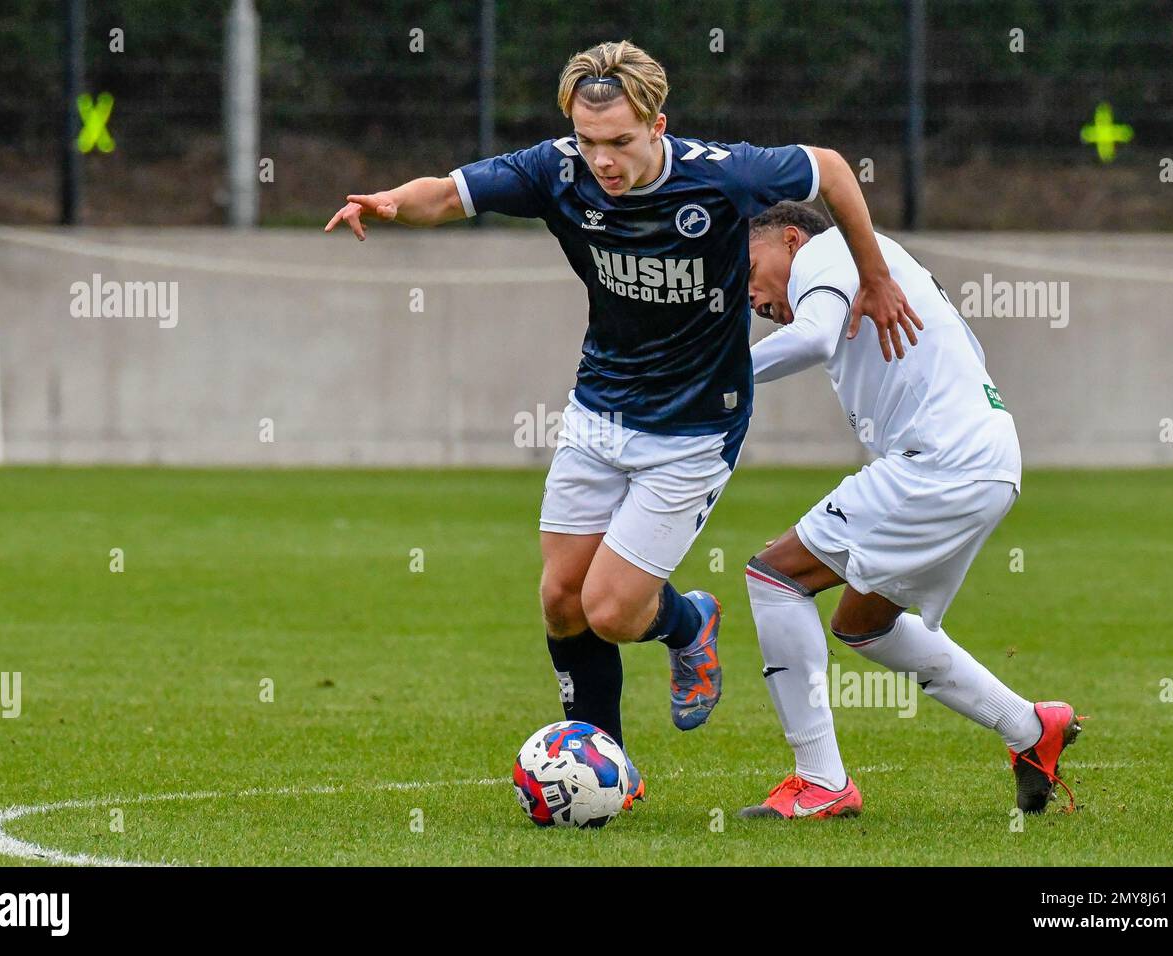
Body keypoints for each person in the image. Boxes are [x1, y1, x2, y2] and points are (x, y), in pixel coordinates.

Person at [326, 42, 921, 807]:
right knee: (561, 600)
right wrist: (387, 204)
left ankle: (686, 623)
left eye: (620, 141)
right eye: (587, 140)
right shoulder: (557, 169)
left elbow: (833, 170)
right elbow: (448, 194)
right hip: (597, 409)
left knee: (610, 610)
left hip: (694, 429)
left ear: (657, 126)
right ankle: (605, 770)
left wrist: (873, 274)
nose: (601, 159)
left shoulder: (724, 173)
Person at [740, 200, 1081, 820]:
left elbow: (813, 338)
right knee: (862, 624)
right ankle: (1032, 728)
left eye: (749, 270)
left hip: (941, 462)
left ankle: (821, 784)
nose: (752, 298)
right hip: (984, 457)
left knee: (775, 577)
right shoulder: (871, 262)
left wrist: (709, 379)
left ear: (791, 241)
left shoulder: (829, 250)